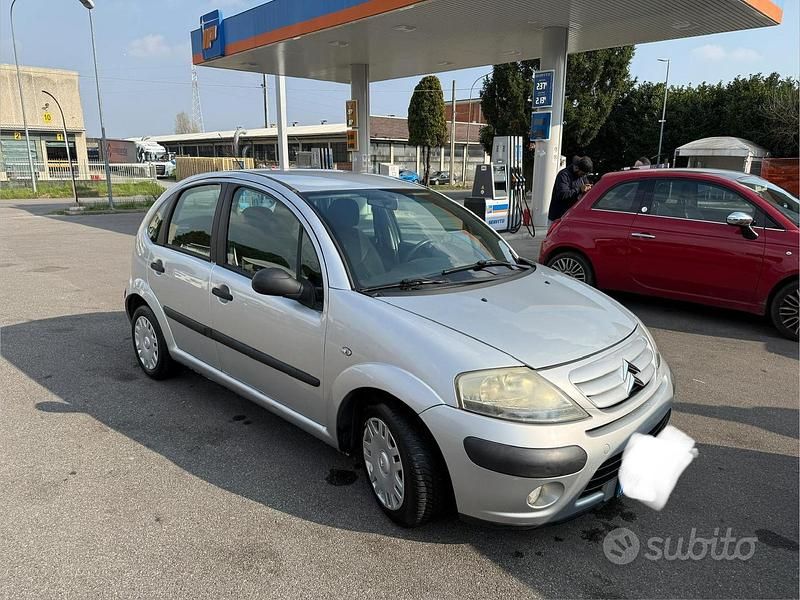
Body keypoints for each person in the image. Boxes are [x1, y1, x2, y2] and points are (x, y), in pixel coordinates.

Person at [548, 156, 593, 223]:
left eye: (585, 174)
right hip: (558, 217)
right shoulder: (563, 175)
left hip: (571, 216)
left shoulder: (582, 176)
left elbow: (586, 186)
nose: (584, 176)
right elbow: (562, 194)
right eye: (583, 173)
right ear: (577, 168)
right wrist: (579, 189)